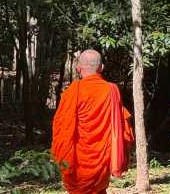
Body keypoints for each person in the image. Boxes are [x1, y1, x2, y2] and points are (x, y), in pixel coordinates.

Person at [51, 49, 134, 194]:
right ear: (101, 68)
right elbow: (123, 129)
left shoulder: (71, 92)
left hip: (77, 164)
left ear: (78, 68)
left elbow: (61, 131)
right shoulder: (111, 90)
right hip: (102, 162)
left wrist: (62, 159)